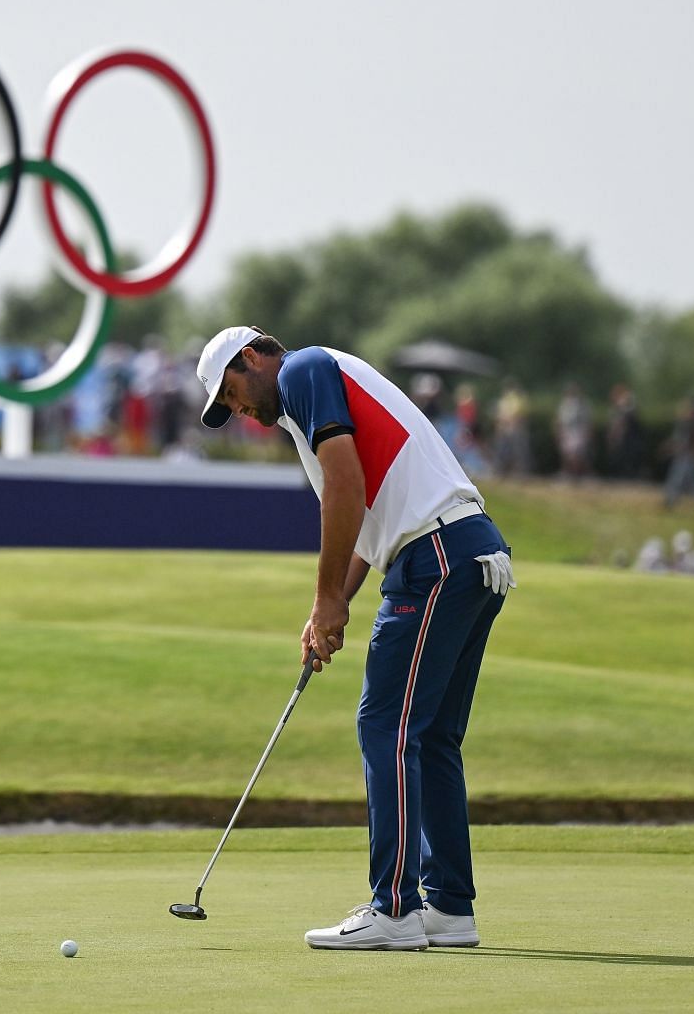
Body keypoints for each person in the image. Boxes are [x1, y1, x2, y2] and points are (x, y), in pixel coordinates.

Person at [196, 325, 515, 952]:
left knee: (385, 727)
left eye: (231, 393)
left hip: (437, 556)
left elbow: (346, 487)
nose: (238, 411)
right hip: (471, 551)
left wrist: (324, 598)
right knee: (431, 736)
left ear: (253, 356)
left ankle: (394, 908)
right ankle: (449, 909)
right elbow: (366, 518)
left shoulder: (303, 371)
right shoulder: (308, 401)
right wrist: (332, 604)